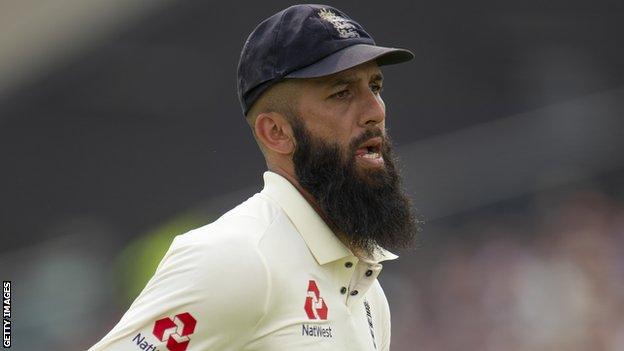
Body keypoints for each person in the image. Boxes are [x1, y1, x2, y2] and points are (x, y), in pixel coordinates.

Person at [89, 4, 418, 351]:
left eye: (375, 86)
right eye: (341, 93)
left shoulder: (369, 294)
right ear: (276, 132)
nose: (375, 111)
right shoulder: (237, 257)